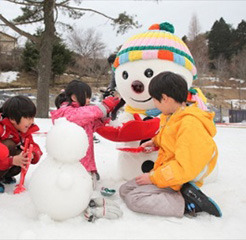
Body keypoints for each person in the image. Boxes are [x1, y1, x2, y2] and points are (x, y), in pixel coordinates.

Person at [119, 72, 222, 218]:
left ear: (165, 98)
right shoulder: (172, 117)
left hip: (180, 177)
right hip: (168, 171)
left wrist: (153, 178)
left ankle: (187, 203)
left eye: (155, 99)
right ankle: (175, 194)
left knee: (134, 199)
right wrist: (154, 141)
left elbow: (185, 167)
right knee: (125, 190)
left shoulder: (190, 124)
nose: (154, 104)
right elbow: (169, 136)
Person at [51, 79, 120, 186]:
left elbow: (93, 123)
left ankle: (90, 172)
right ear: (74, 97)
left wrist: (106, 115)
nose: (89, 100)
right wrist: (104, 107)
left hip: (86, 159)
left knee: (88, 183)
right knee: (77, 186)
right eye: (86, 97)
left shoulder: (84, 111)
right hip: (72, 164)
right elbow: (82, 115)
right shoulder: (65, 112)